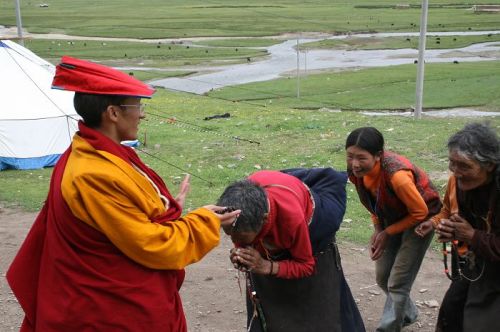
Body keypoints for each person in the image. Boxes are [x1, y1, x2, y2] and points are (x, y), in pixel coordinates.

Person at [6, 56, 239, 332]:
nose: (142, 114)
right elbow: (152, 245)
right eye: (137, 105)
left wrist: (167, 208)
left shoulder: (99, 154)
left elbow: (128, 216)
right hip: (107, 312)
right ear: (113, 113)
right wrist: (203, 221)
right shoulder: (92, 174)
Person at [218, 168, 365, 332]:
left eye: (241, 239)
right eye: (230, 235)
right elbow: (240, 234)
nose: (235, 242)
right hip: (282, 186)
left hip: (320, 215)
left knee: (319, 250)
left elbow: (306, 265)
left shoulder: (292, 219)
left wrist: (267, 266)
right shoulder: (239, 206)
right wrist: (242, 256)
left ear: (264, 220)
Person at [345, 127, 442, 332]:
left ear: (378, 155)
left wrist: (386, 233)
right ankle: (407, 313)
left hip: (421, 221)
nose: (354, 163)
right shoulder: (357, 173)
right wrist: (378, 229)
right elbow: (373, 203)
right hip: (392, 218)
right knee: (383, 277)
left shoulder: (397, 176)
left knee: (398, 281)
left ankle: (388, 328)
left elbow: (419, 211)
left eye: (361, 158)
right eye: (350, 156)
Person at [415, 122, 500, 332]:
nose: (456, 172)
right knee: (452, 311)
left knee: (480, 322)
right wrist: (452, 230)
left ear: (489, 165)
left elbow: (474, 232)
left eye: (464, 166)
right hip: (478, 261)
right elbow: (463, 220)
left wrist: (472, 235)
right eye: (452, 164)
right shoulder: (464, 184)